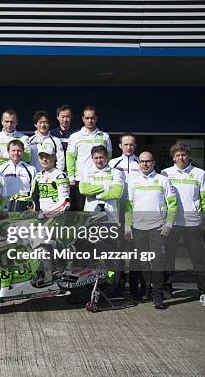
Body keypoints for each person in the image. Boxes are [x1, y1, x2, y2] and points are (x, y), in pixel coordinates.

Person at [161, 142, 205, 307]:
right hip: (171, 223)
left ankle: (204, 292)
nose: (180, 158)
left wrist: (198, 216)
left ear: (189, 156)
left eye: (183, 155)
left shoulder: (199, 173)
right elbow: (161, 198)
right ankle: (167, 289)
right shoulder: (165, 173)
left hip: (192, 224)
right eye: (177, 155)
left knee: (198, 259)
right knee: (168, 258)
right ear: (173, 157)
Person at [125, 151, 177, 309]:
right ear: (138, 163)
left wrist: (169, 223)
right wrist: (128, 226)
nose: (145, 164)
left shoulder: (163, 180)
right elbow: (129, 206)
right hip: (138, 228)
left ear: (154, 163)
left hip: (157, 228)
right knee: (143, 263)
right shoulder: (132, 181)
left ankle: (157, 296)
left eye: (148, 161)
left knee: (157, 262)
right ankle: (146, 292)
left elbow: (173, 204)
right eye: (142, 161)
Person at [109, 132, 142, 297]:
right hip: (117, 213)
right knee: (118, 250)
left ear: (135, 146)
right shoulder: (112, 163)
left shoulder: (141, 163)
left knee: (136, 251)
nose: (128, 147)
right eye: (125, 144)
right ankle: (119, 285)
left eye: (131, 144)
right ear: (120, 146)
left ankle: (135, 286)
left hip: (137, 213)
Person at [66, 106, 112, 211]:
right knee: (79, 212)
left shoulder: (105, 136)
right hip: (81, 180)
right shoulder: (75, 136)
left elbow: (108, 157)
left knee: (99, 211)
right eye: (87, 118)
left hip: (100, 179)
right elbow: (70, 158)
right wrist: (71, 177)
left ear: (96, 118)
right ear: (83, 119)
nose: (90, 120)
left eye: (92, 118)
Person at [79, 145, 124, 224]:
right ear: (92, 158)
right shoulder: (86, 173)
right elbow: (83, 190)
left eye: (101, 157)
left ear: (107, 157)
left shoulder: (116, 172)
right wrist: (106, 187)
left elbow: (117, 193)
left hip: (111, 216)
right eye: (96, 158)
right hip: (90, 215)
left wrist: (97, 195)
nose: (99, 160)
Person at [30, 149, 70, 215]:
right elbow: (33, 198)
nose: (44, 159)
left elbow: (65, 202)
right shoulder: (38, 176)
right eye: (41, 156)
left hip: (56, 217)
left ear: (54, 157)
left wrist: (48, 214)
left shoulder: (60, 175)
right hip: (40, 216)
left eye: (47, 156)